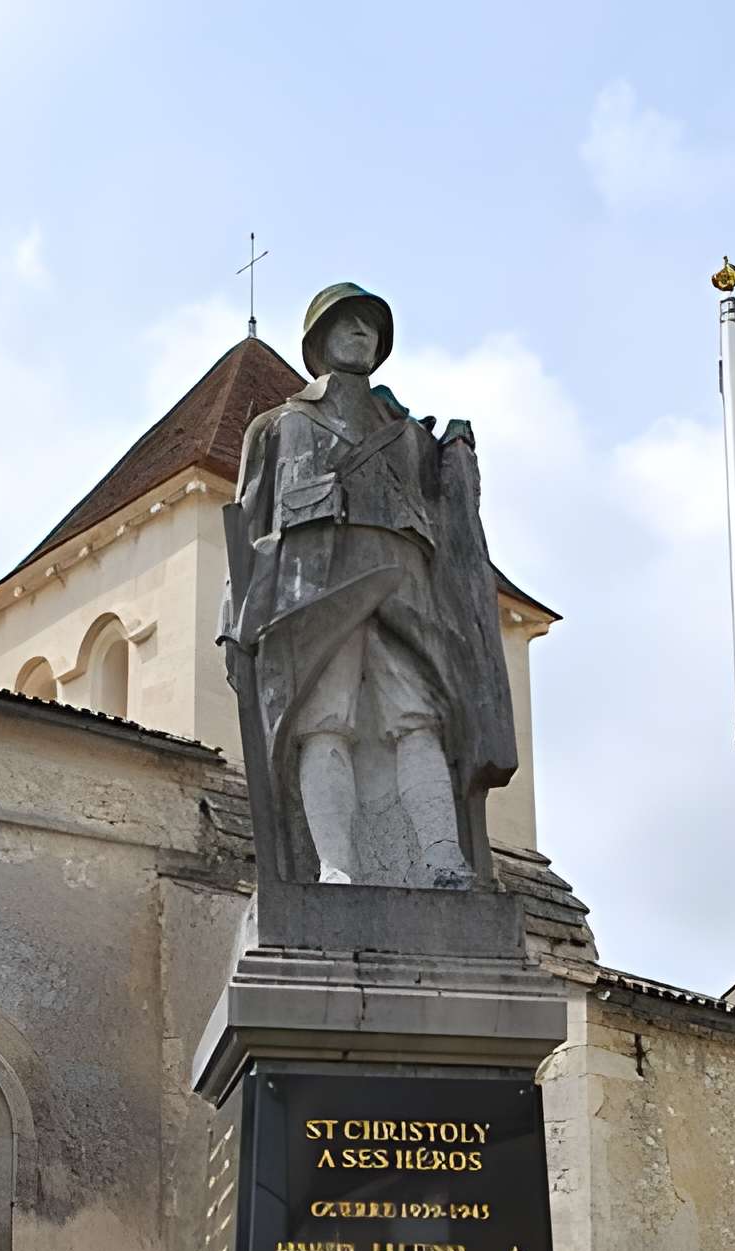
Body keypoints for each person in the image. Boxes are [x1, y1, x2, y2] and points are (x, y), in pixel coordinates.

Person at [220, 283, 516, 889]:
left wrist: (458, 459)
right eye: (346, 323)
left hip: (404, 591)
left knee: (419, 717)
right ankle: (335, 867)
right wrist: (234, 623)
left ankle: (442, 860)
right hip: (316, 593)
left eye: (369, 326)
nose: (361, 333)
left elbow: (453, 520)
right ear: (318, 341)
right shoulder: (276, 429)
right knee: (324, 721)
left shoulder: (410, 435)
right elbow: (248, 525)